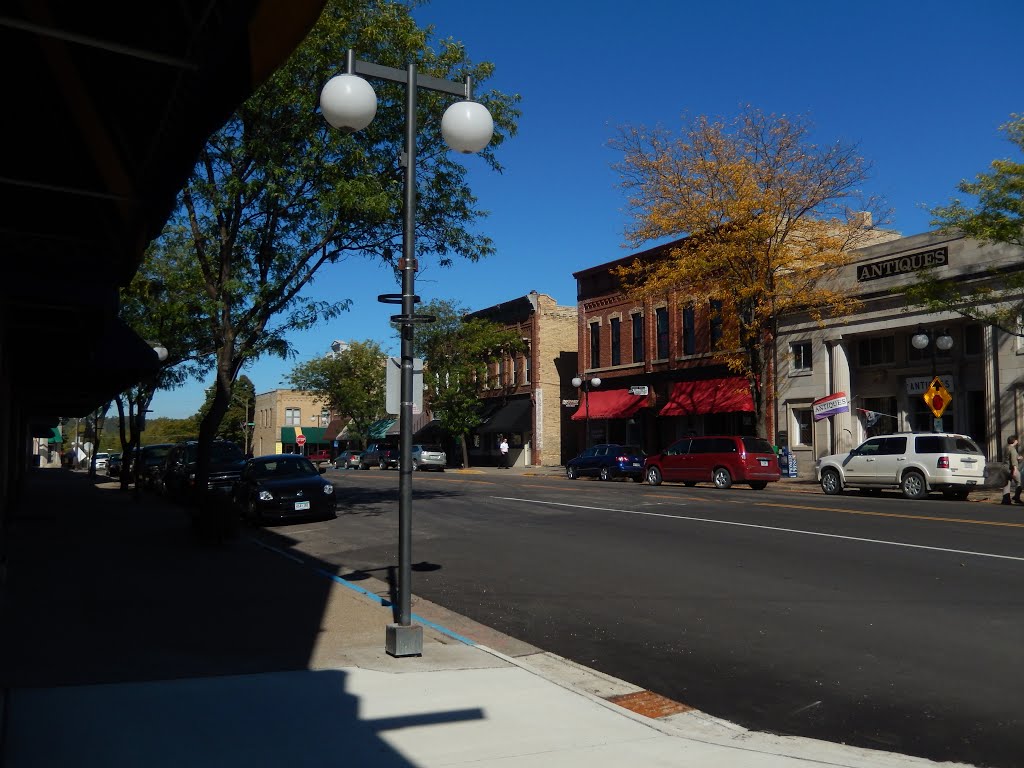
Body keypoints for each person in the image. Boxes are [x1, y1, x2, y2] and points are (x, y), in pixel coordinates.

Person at [1002, 435, 1021, 505]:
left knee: (1006, 484)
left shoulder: (1007, 448)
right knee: (1019, 482)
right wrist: (1015, 469)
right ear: (1014, 441)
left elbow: (1010, 457)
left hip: (1004, 468)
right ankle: (1016, 497)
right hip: (1011, 468)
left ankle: (1005, 500)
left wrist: (1018, 458)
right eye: (1016, 440)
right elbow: (1013, 460)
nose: (1017, 441)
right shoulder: (1012, 449)